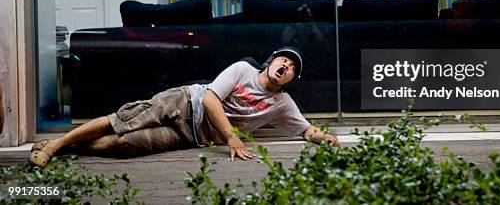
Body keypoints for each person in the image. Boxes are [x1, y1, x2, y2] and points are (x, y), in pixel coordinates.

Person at [29, 47, 340, 167]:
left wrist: (323, 138)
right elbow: (210, 98)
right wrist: (231, 136)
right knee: (124, 122)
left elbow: (305, 129)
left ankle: (63, 149)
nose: (285, 66)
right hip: (184, 102)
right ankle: (55, 143)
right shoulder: (242, 70)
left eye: (292, 68)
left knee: (124, 145)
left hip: (190, 136)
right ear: (272, 61)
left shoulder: (281, 103)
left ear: (291, 79)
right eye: (283, 60)